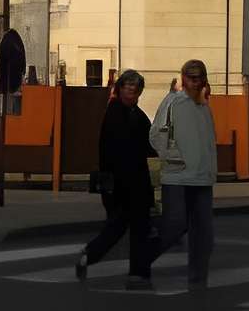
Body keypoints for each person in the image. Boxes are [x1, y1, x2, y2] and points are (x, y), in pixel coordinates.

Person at [76, 71, 155, 285]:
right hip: (121, 182)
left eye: (135, 88)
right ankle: (91, 255)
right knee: (122, 226)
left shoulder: (135, 114)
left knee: (136, 226)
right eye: (128, 86)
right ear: (120, 89)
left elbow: (149, 143)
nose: (132, 91)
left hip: (135, 181)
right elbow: (118, 150)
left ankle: (137, 272)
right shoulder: (116, 113)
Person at [149, 59, 219, 290]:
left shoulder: (204, 106)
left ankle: (198, 282)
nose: (195, 82)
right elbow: (156, 135)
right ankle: (141, 260)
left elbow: (207, 143)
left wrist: (210, 171)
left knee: (204, 236)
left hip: (202, 179)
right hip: (178, 177)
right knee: (174, 227)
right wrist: (174, 157)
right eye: (190, 77)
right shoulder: (173, 102)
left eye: (199, 77)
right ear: (183, 78)